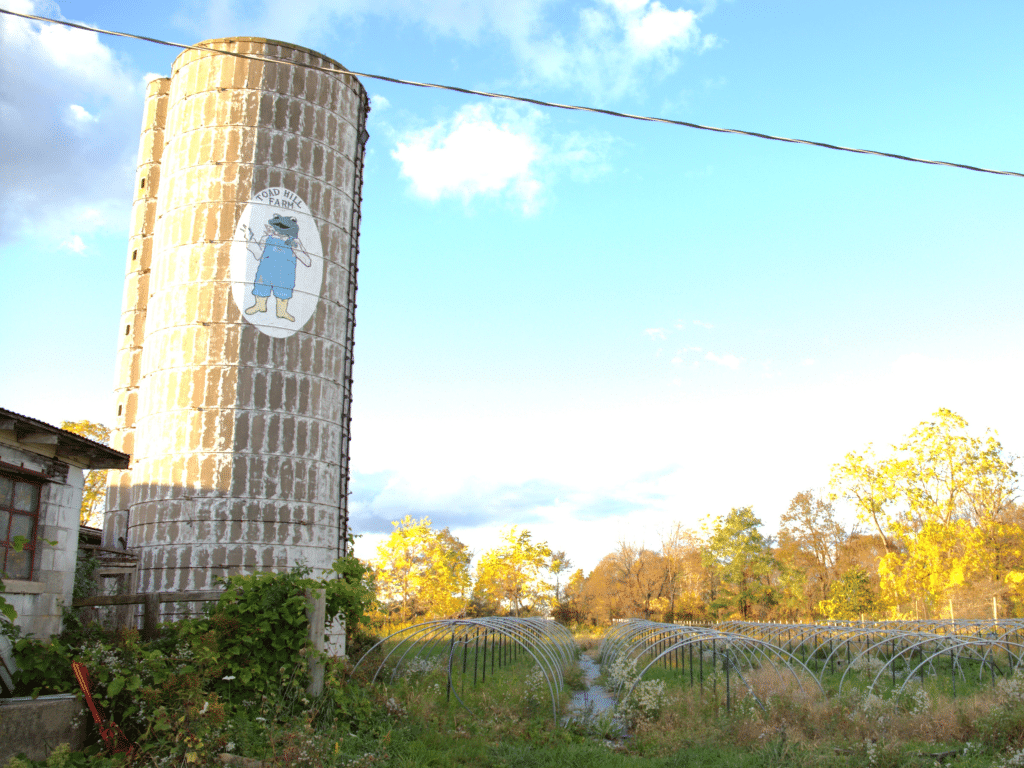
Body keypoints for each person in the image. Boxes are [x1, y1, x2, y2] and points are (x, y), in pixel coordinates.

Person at [244, 214, 311, 322]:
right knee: (261, 286)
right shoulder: (266, 238)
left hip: (285, 273)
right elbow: (258, 254)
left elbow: (307, 262)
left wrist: (296, 249)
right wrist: (250, 240)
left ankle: (282, 312)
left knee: (283, 291)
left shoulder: (294, 242)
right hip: (265, 270)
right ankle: (260, 305)